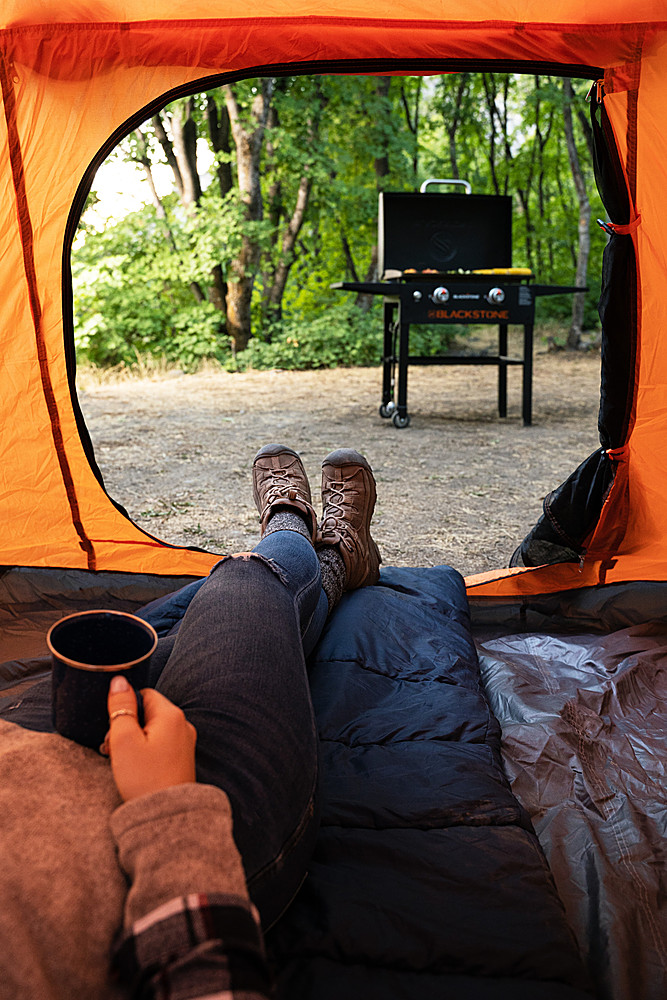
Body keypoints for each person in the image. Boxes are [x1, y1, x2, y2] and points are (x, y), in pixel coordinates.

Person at [0, 444, 381, 1000]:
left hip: (25, 749)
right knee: (243, 585)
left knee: (193, 637)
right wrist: (169, 809)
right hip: (160, 847)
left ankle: (334, 555)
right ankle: (308, 534)